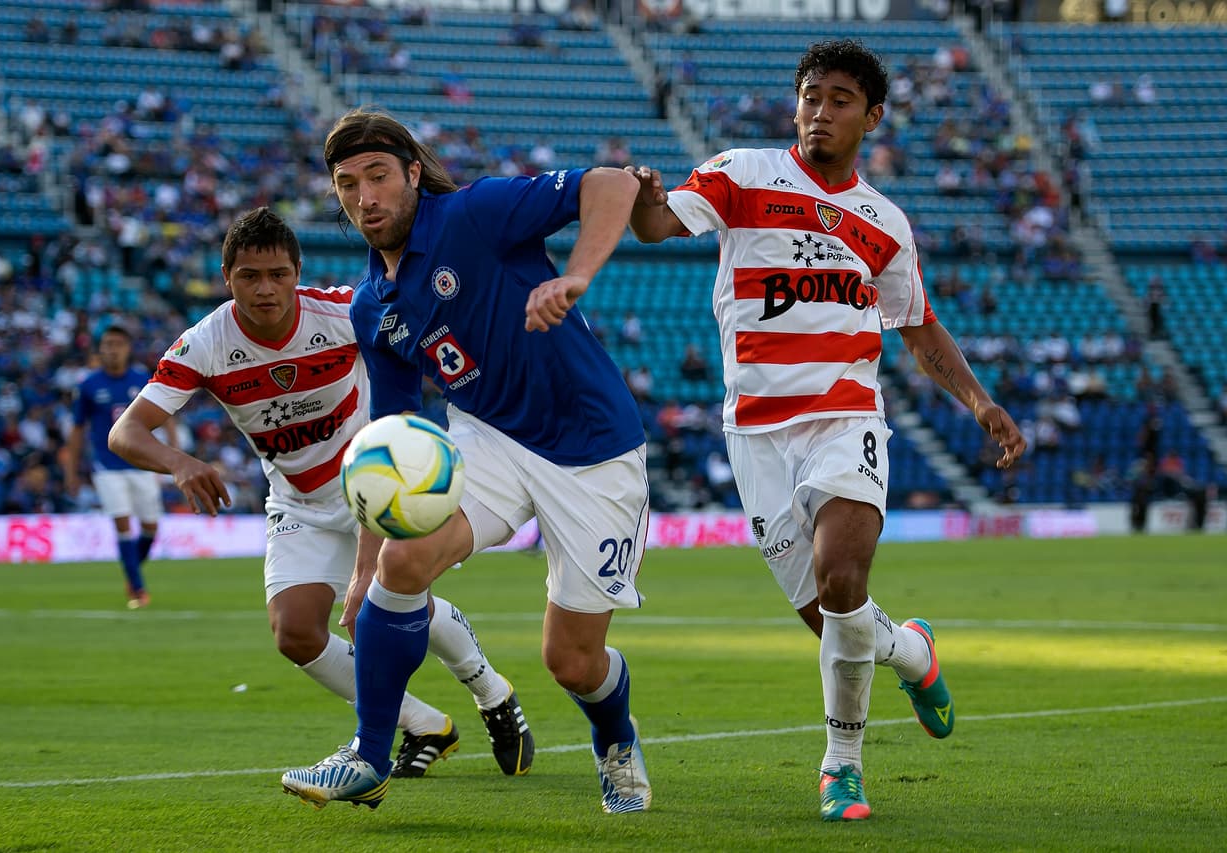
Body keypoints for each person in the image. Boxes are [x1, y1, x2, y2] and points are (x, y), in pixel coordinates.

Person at [628, 39, 1026, 822]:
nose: (820, 110)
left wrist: (980, 403)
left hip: (846, 420)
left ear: (872, 117)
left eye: (840, 98)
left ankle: (841, 764)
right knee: (832, 622)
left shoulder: (884, 223)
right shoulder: (743, 174)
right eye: (811, 94)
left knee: (844, 580)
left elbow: (917, 327)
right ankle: (912, 650)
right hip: (755, 433)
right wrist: (643, 193)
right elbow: (656, 226)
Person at [280, 109, 651, 815]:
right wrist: (363, 567)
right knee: (401, 566)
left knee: (571, 661)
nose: (366, 197)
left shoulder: (474, 214)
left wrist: (573, 277)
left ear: (413, 173)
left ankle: (616, 741)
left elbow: (609, 185)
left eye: (379, 176)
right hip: (486, 438)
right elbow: (387, 440)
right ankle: (368, 754)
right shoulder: (372, 307)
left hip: (593, 446)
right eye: (348, 183)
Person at [107, 207, 532, 780]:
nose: (266, 289)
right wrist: (180, 463)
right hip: (297, 500)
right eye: (250, 276)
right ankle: (424, 723)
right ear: (226, 276)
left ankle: (491, 692)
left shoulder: (342, 312)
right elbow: (125, 432)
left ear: (297, 271)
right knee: (296, 632)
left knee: (390, 606)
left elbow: (414, 351)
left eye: (279, 274)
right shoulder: (206, 343)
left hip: (375, 492)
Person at [64, 324, 173, 609]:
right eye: (108, 344)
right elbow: (77, 430)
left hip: (142, 463)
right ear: (100, 349)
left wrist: (171, 453)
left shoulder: (142, 380)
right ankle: (138, 589)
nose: (112, 350)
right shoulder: (88, 385)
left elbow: (167, 417)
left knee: (151, 527)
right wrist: (71, 471)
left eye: (118, 344)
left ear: (127, 348)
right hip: (107, 465)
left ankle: (131, 570)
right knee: (123, 524)